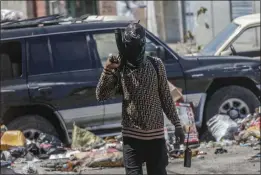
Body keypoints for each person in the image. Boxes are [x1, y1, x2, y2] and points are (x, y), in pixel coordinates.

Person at [96, 22, 185, 175]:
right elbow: (102, 95)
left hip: (156, 138)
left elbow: (165, 96)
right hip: (132, 139)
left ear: (143, 44)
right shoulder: (120, 68)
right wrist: (108, 70)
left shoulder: (156, 65)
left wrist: (177, 124)